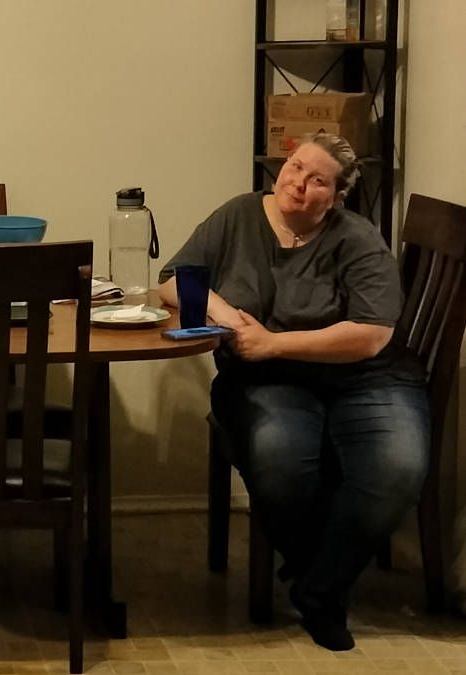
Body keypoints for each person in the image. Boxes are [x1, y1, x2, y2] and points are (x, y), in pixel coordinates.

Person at [158, 133, 429, 651]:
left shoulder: (357, 238)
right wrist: (226, 314)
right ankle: (321, 577)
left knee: (397, 468)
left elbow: (372, 335)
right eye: (296, 166)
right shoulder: (239, 215)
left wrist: (273, 343)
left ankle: (317, 590)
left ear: (338, 197)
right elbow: (172, 280)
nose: (299, 183)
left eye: (318, 180)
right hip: (271, 381)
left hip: (366, 377)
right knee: (279, 461)